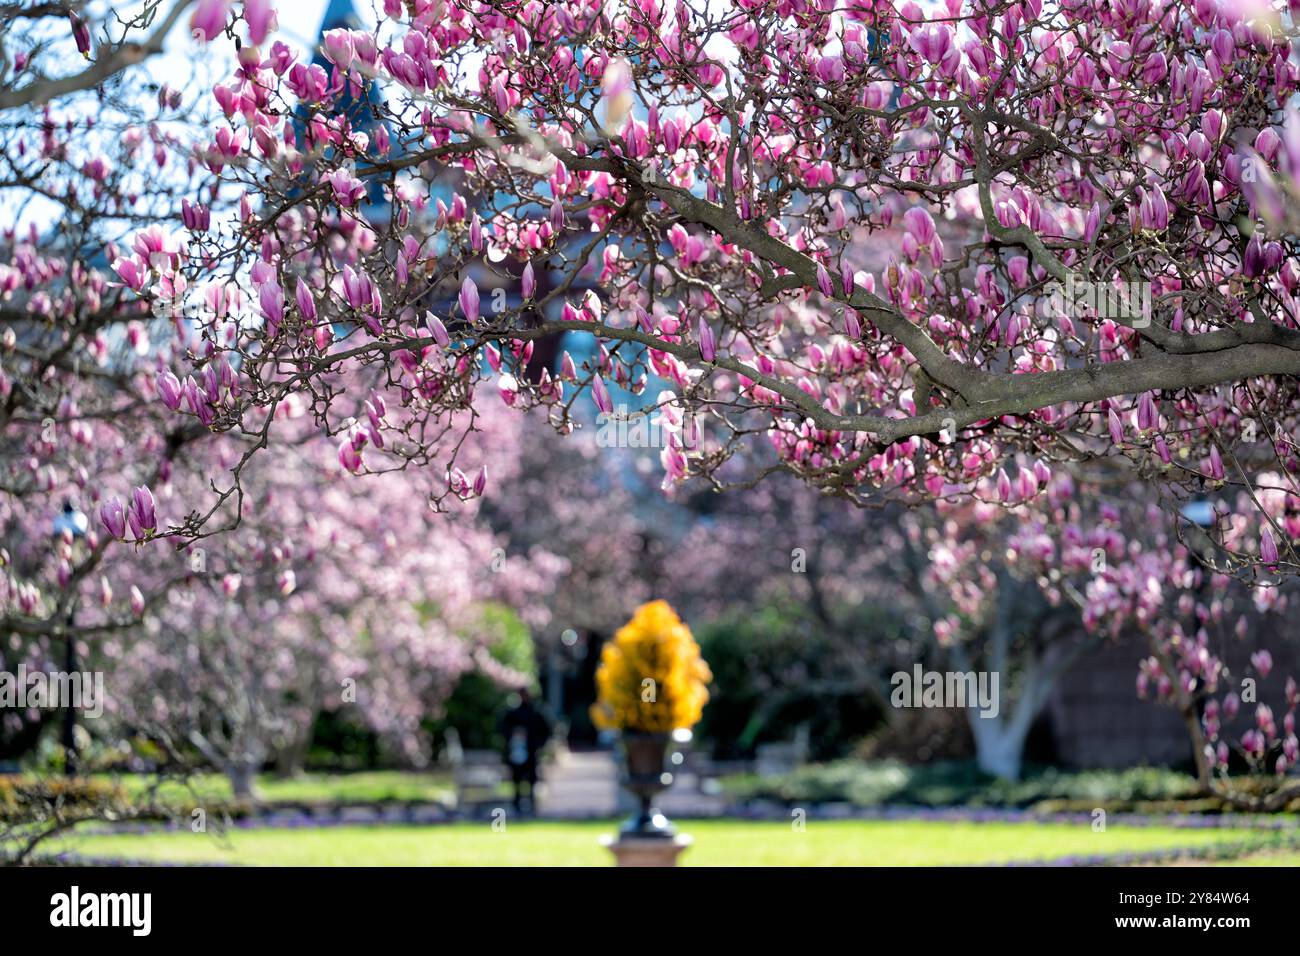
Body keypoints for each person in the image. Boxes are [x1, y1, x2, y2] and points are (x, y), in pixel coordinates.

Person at [500, 688, 551, 815]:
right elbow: (503, 728)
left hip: (531, 751)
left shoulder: (536, 712)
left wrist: (538, 744)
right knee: (516, 780)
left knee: (531, 780)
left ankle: (532, 806)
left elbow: (546, 730)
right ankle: (517, 805)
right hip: (515, 752)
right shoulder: (512, 713)